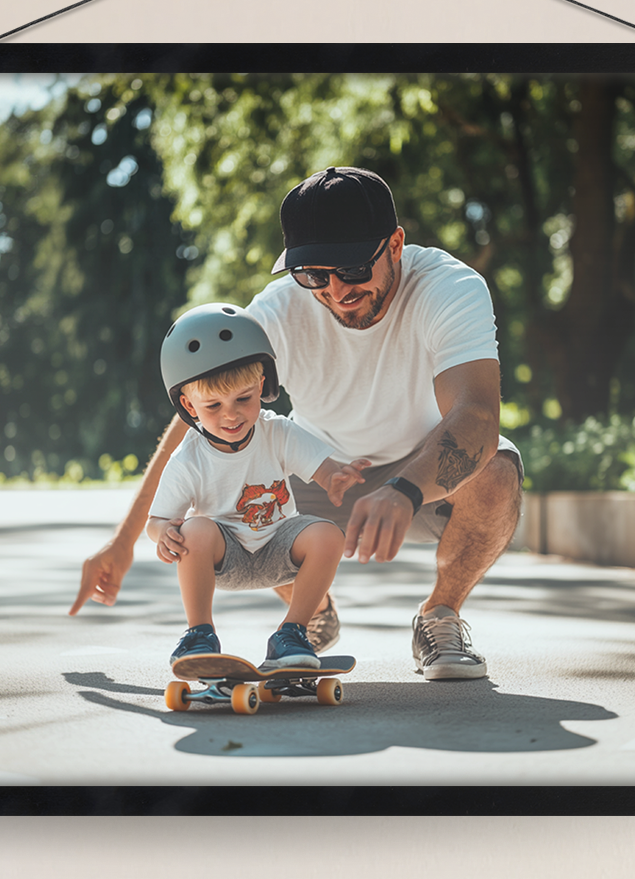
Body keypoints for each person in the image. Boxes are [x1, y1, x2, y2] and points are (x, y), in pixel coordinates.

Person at [71, 165, 522, 681]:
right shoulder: (277, 313)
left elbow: (478, 416)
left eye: (353, 268)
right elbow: (197, 424)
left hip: (423, 474)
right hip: (314, 472)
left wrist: (403, 489)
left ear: (395, 244)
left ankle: (440, 615)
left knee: (496, 472)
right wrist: (124, 541)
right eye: (313, 275)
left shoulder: (448, 288)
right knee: (228, 473)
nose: (335, 290)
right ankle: (309, 617)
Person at [146, 304, 365, 674]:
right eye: (213, 405)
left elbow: (321, 467)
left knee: (328, 535)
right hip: (224, 556)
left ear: (261, 386)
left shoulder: (276, 431)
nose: (230, 415)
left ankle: (292, 634)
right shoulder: (189, 458)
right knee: (194, 528)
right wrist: (164, 533)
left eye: (243, 399)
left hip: (279, 547)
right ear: (189, 405)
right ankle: (200, 634)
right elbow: (158, 520)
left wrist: (335, 477)